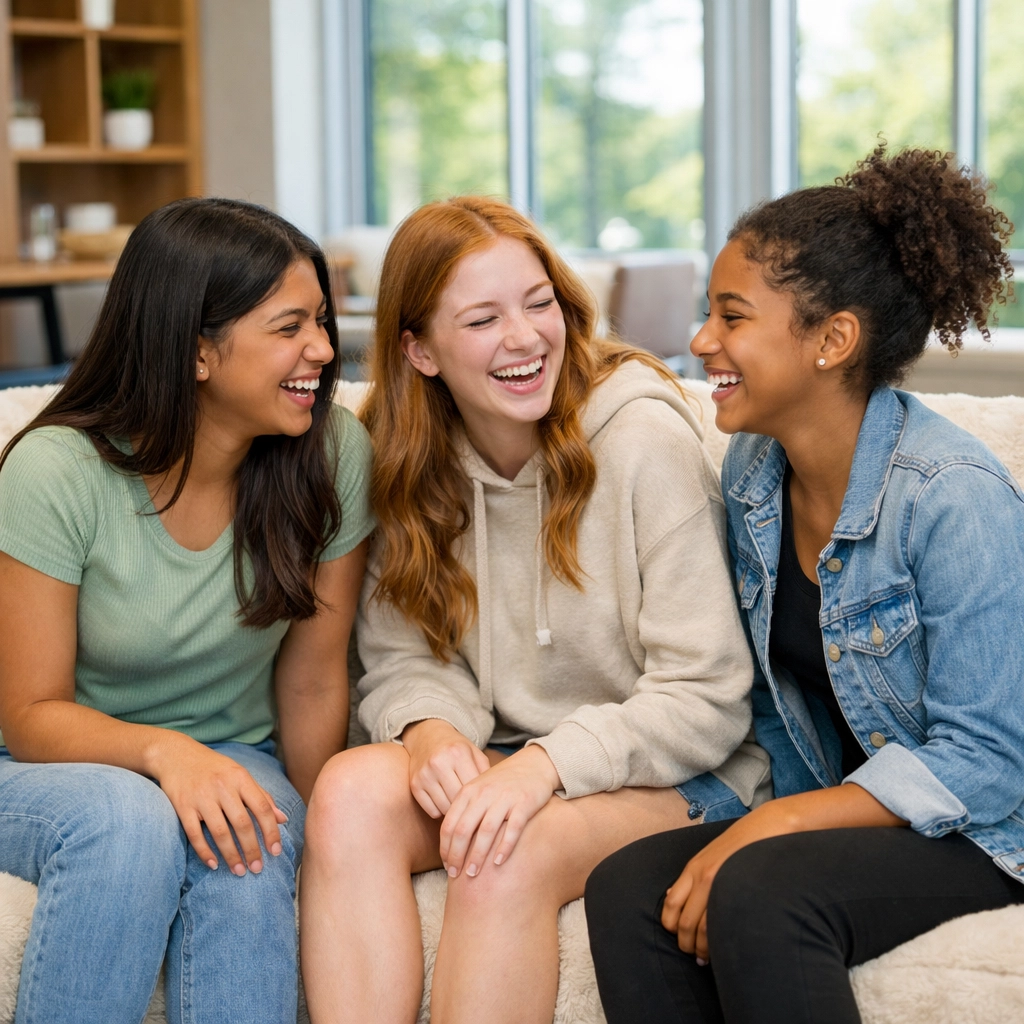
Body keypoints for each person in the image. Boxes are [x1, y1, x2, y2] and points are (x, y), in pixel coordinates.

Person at [299, 196, 770, 1024]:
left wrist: (544, 768)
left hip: (682, 773)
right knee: (348, 792)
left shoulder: (640, 439)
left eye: (539, 303)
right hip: (515, 755)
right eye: (482, 319)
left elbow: (708, 697)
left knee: (502, 851)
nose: (524, 338)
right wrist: (430, 730)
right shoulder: (406, 463)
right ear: (419, 349)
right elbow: (403, 658)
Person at [584, 146, 1024, 1024]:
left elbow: (989, 762)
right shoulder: (754, 470)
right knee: (627, 886)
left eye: (732, 316)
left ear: (832, 340)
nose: (702, 340)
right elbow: (767, 697)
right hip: (844, 806)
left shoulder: (953, 497)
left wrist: (772, 826)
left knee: (763, 890)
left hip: (984, 827)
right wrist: (762, 812)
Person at [0, 198, 374, 1024]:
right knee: (125, 820)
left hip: (237, 749)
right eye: (289, 327)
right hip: (41, 767)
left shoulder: (332, 455)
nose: (322, 349)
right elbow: (28, 716)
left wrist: (325, 837)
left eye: (320, 320)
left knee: (253, 839)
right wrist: (165, 754)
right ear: (198, 350)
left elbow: (313, 681)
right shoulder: (55, 472)